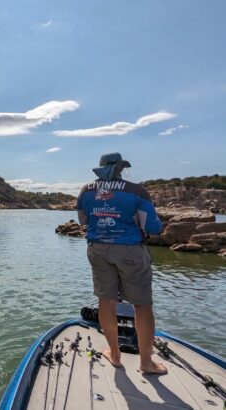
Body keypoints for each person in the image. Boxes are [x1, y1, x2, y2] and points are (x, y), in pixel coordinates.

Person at [77, 152, 167, 374]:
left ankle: (115, 355)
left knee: (106, 301)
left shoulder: (86, 191)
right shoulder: (136, 191)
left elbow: (83, 220)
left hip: (97, 249)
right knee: (141, 304)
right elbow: (154, 228)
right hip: (130, 251)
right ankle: (146, 362)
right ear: (120, 168)